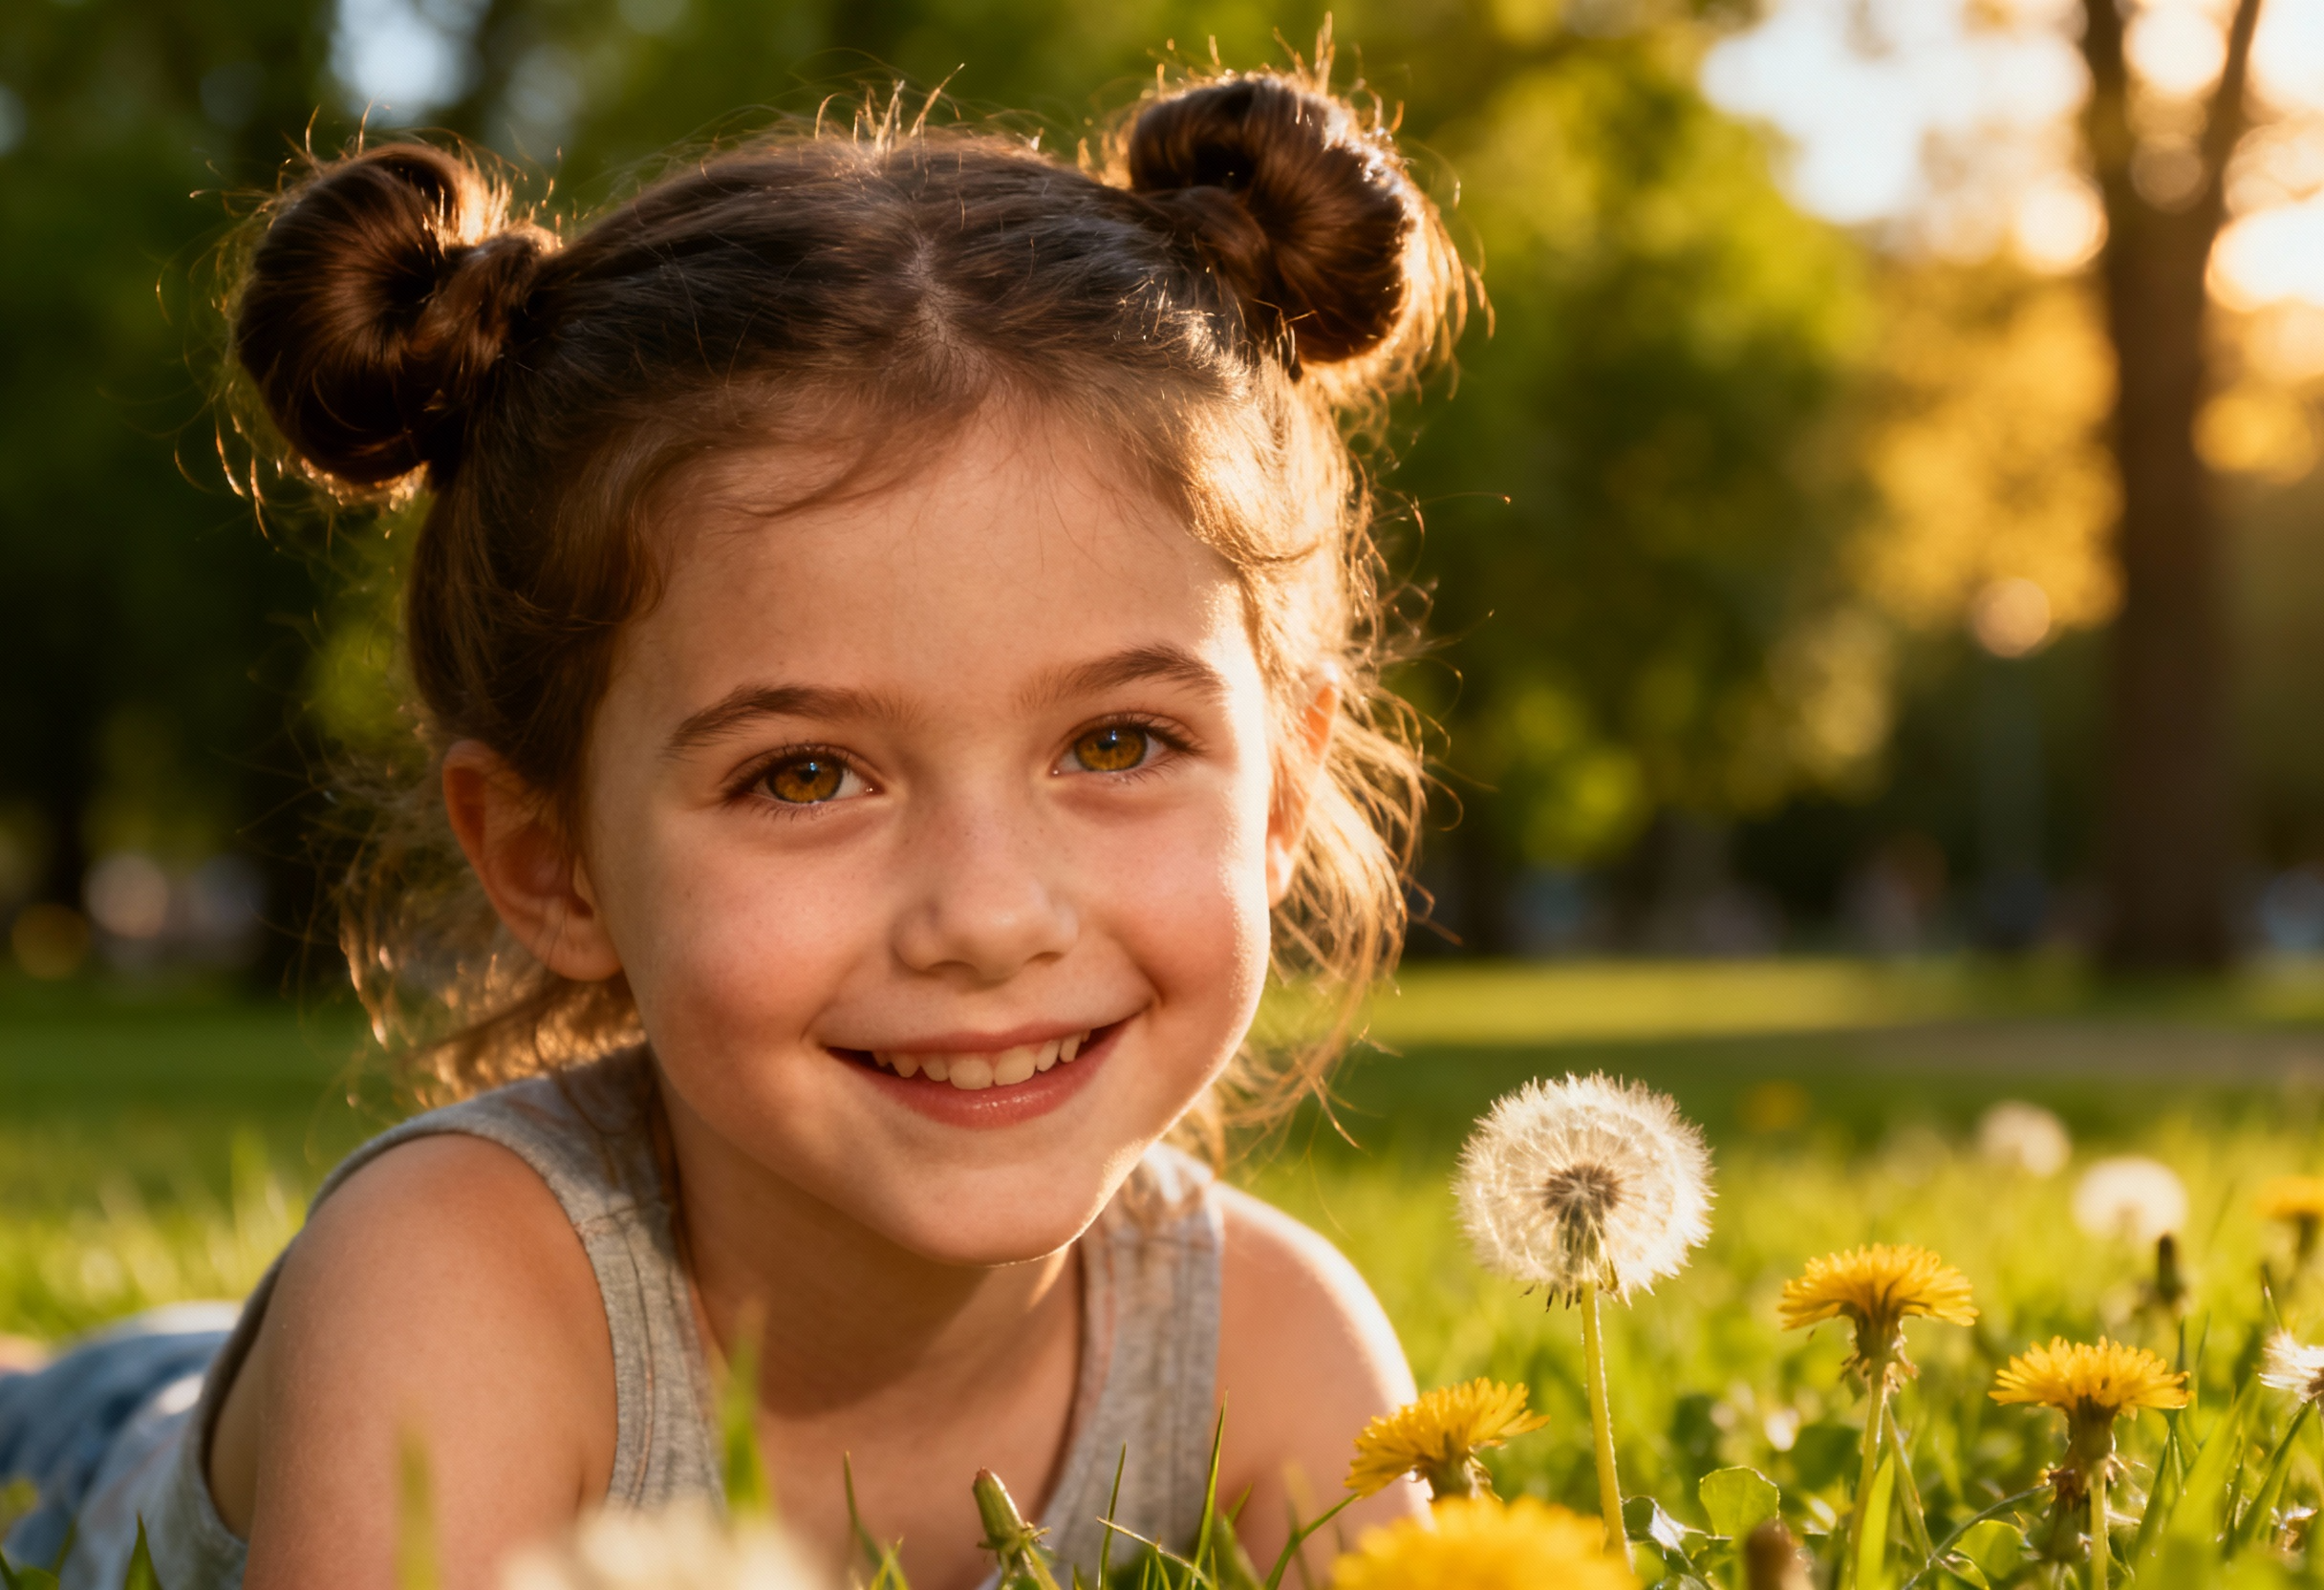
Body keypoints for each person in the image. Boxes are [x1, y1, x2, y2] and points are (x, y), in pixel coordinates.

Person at [0, 49, 1466, 1590]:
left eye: (1117, 740)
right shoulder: (455, 1285)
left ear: (1282, 791)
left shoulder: (1273, 1349)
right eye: (806, 774)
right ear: (547, 859)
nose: (988, 914)